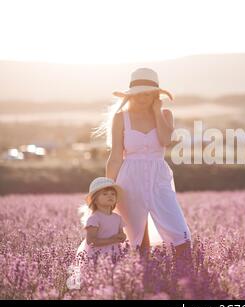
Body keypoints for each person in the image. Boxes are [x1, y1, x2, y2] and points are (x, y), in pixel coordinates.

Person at [92, 68, 192, 269]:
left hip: (159, 178)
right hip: (129, 179)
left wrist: (156, 112)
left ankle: (187, 279)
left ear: (156, 94)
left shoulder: (165, 114)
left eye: (148, 93)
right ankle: (145, 283)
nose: (143, 97)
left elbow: (165, 140)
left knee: (180, 233)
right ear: (131, 94)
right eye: (139, 93)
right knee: (137, 237)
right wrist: (106, 189)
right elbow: (115, 156)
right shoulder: (121, 117)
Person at [76, 177, 127, 260]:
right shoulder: (94, 219)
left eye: (113, 194)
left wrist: (122, 237)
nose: (110, 196)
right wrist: (112, 240)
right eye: (105, 194)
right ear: (95, 200)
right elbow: (91, 241)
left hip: (114, 253)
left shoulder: (117, 218)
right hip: (97, 256)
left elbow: (121, 235)